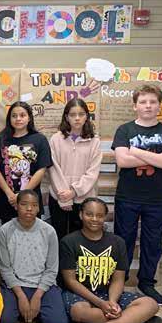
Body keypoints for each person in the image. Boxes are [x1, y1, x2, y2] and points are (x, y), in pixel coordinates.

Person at [60, 198, 162, 323]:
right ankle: (135, 321)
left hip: (108, 293)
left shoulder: (117, 242)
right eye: (89, 214)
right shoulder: (69, 241)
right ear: (80, 215)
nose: (94, 219)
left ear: (105, 217)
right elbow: (70, 281)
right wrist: (100, 303)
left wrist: (112, 302)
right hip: (79, 294)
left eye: (99, 215)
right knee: (80, 312)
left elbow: (118, 279)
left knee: (151, 304)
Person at [112, 85, 162, 306]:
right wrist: (156, 157)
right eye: (143, 102)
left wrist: (136, 151)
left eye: (153, 102)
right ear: (135, 106)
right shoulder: (124, 130)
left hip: (156, 199)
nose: (148, 106)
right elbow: (122, 161)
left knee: (152, 243)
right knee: (123, 241)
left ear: (159, 106)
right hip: (127, 196)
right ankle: (119, 282)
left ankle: (147, 284)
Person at [0, 190, 68, 323]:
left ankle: (31, 310)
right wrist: (20, 296)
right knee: (4, 321)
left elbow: (51, 269)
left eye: (34, 205)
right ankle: (27, 310)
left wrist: (37, 296)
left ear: (38, 208)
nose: (29, 208)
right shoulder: (5, 230)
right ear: (16, 206)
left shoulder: (49, 231)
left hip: (43, 285)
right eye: (24, 204)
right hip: (15, 285)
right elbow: (5, 268)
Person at [0, 102, 51, 226]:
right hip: (6, 199)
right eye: (14, 116)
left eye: (22, 115)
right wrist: (10, 194)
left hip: (30, 200)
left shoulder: (40, 140)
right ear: (9, 118)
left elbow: (41, 169)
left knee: (31, 234)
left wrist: (22, 195)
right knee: (5, 235)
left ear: (29, 118)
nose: (18, 119)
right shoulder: (0, 139)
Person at [48, 98, 102, 239]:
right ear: (66, 117)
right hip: (59, 197)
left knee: (81, 239)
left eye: (81, 114)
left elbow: (92, 172)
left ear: (87, 116)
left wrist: (74, 192)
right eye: (72, 115)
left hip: (84, 199)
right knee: (59, 237)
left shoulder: (95, 141)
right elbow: (53, 169)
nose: (77, 118)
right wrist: (64, 197)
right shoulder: (56, 139)